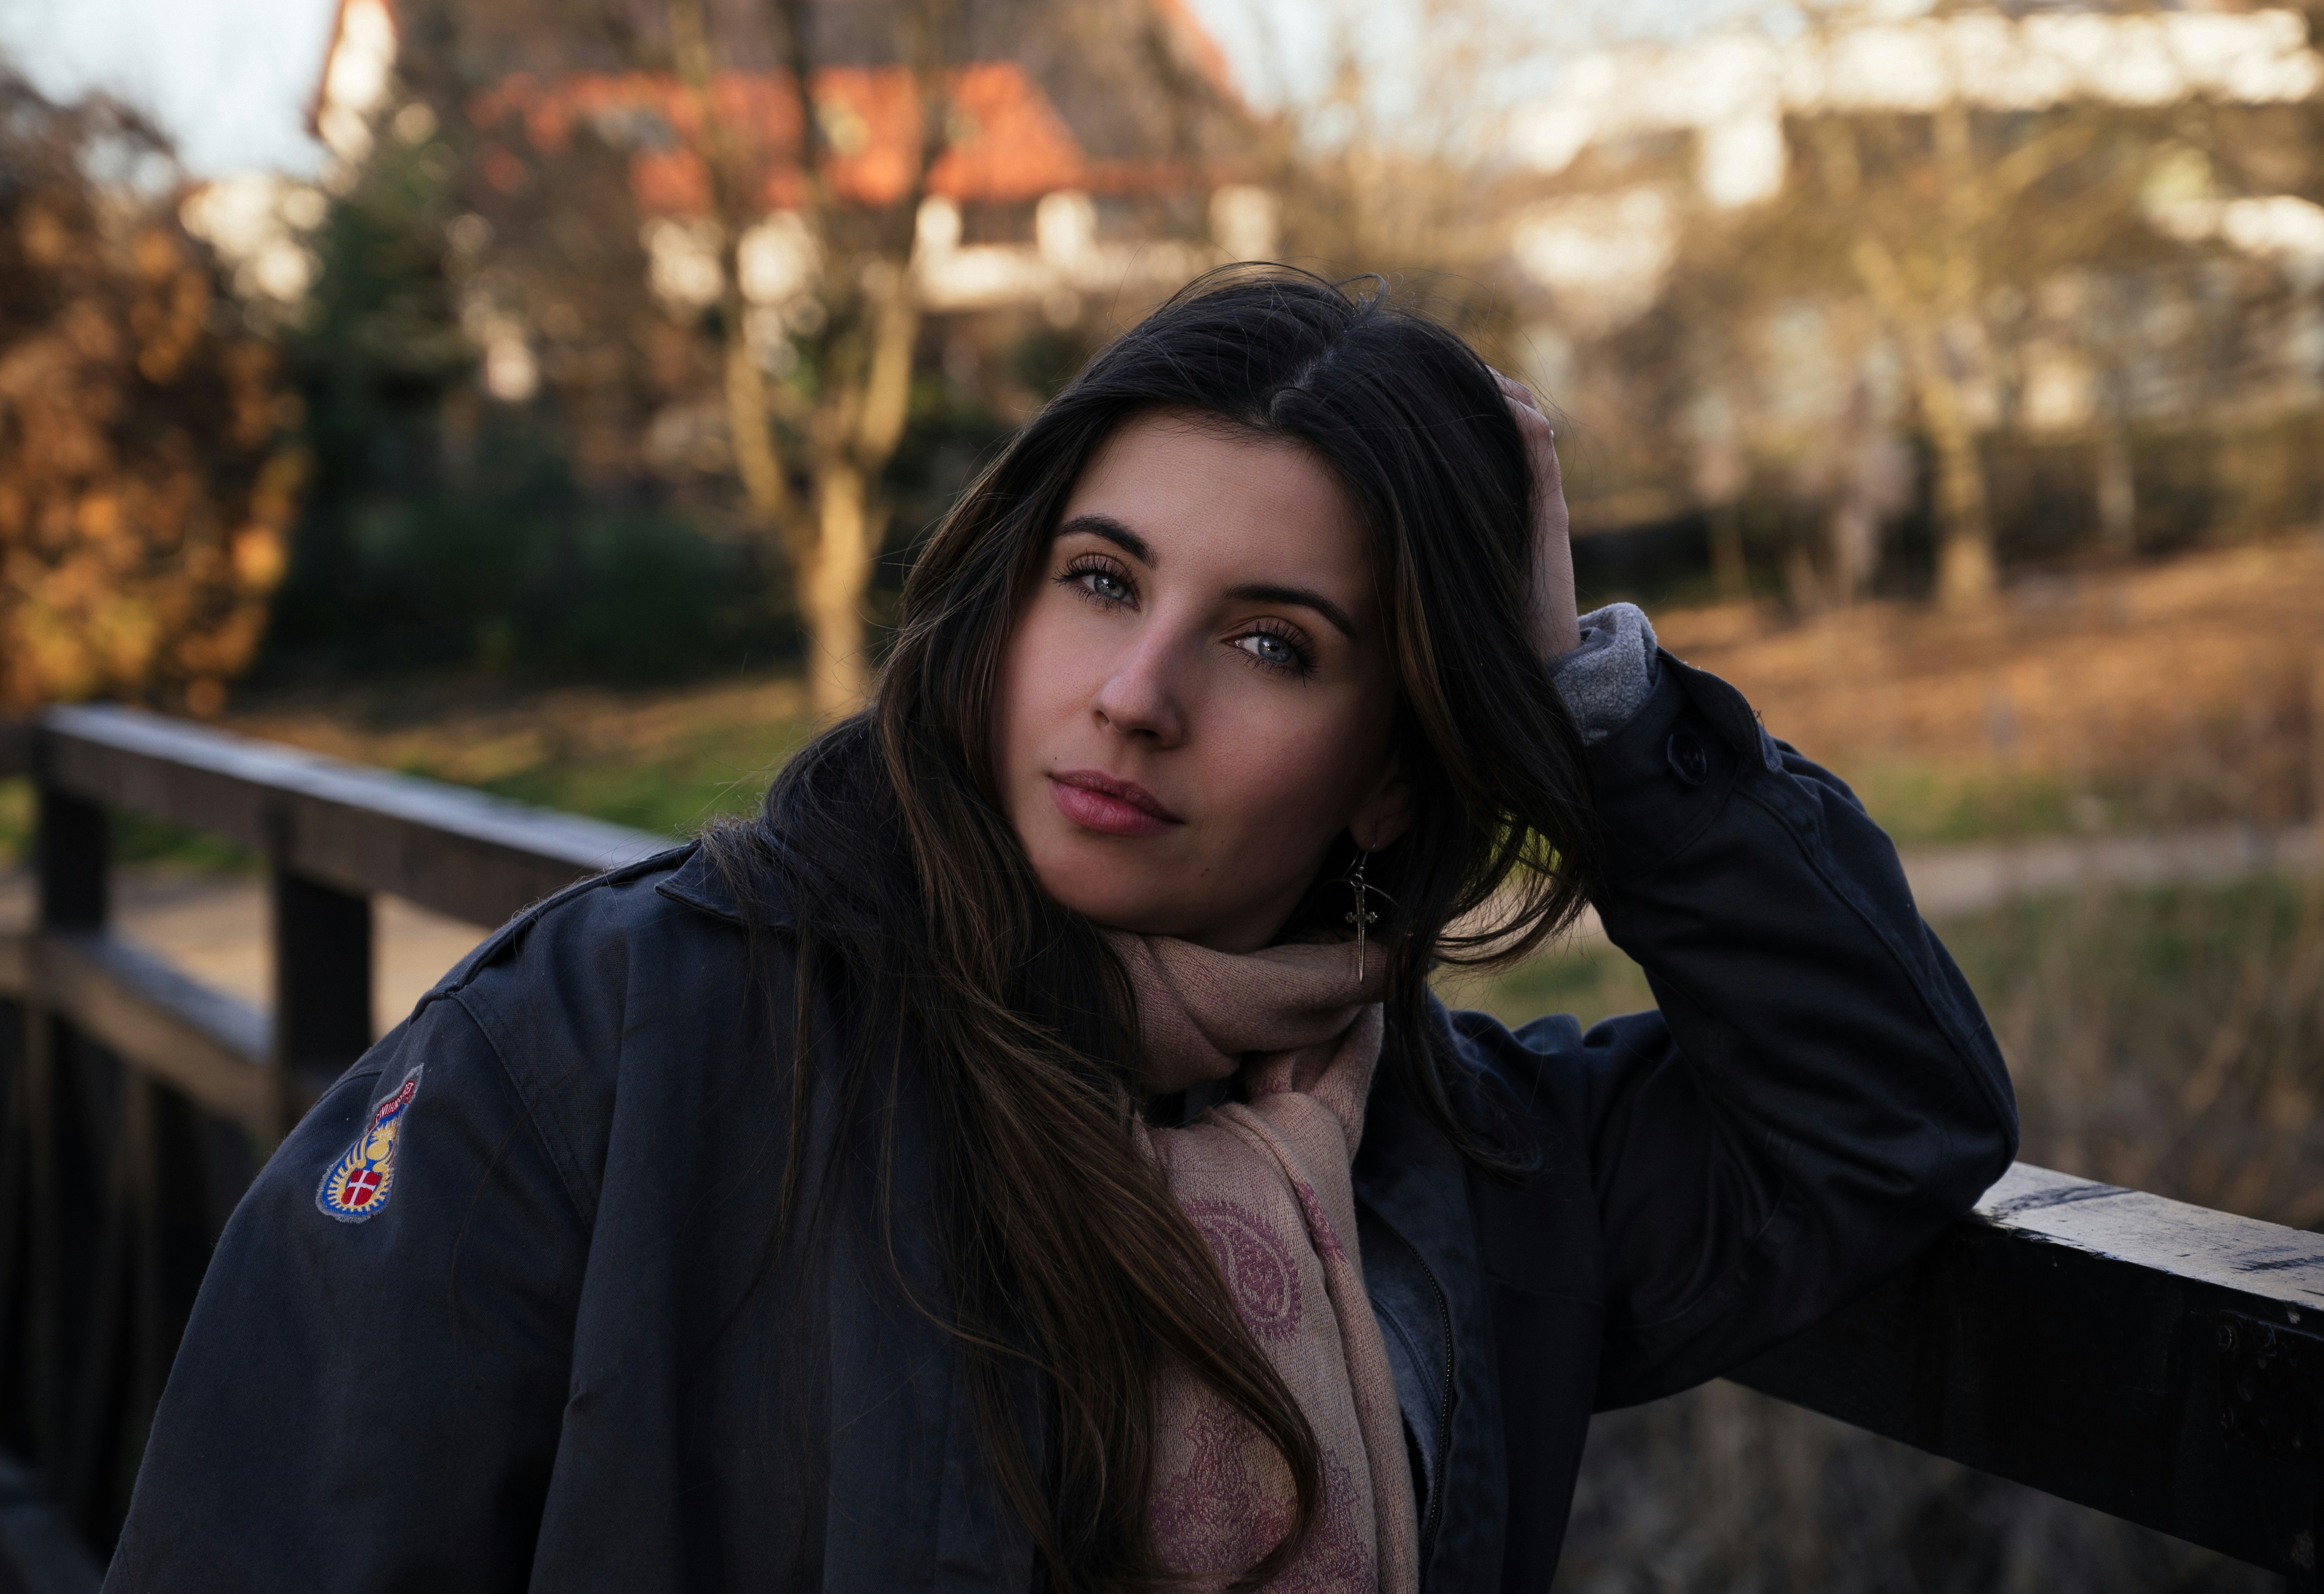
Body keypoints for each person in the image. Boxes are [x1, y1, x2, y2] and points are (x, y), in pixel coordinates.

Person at [105, 269, 2015, 1593]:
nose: (1136, 691)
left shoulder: (1469, 1171)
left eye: (1277, 641)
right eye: (1102, 581)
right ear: (1006, 603)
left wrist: (1586, 701)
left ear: (1385, 767)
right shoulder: (616, 1038)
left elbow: (1879, 1109)